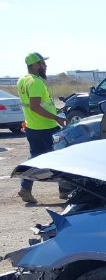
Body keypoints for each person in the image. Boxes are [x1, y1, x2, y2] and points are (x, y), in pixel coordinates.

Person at [16, 52, 67, 204]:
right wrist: (57, 118)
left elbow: (35, 106)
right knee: (61, 157)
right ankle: (65, 190)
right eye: (42, 63)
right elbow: (35, 107)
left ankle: (25, 188)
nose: (45, 65)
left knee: (34, 158)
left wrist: (55, 112)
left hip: (32, 127)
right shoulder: (36, 82)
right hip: (47, 127)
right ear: (34, 65)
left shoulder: (22, 80)